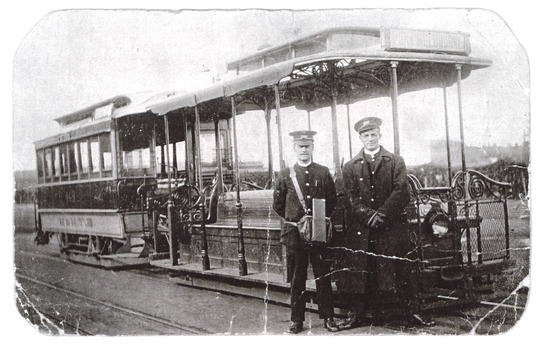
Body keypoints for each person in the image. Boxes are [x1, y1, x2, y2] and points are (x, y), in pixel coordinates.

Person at [339, 117, 433, 328]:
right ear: (360, 138)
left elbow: (402, 192)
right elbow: (350, 198)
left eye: (373, 134)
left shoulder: (395, 161)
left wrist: (381, 215)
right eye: (366, 135)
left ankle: (413, 313)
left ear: (380, 135)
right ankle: (356, 315)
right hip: (364, 228)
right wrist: (370, 216)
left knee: (401, 269)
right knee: (361, 271)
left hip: (391, 226)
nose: (370, 139)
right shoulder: (351, 166)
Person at [273, 130, 340, 334]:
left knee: (323, 276)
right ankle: (297, 321)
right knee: (297, 278)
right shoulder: (285, 175)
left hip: (318, 232)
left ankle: (328, 317)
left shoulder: (322, 171)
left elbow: (332, 200)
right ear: (294, 149)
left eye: (307, 146)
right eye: (300, 146)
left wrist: (316, 222)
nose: (304, 150)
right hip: (295, 234)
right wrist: (300, 222)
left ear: (313, 147)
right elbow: (278, 205)